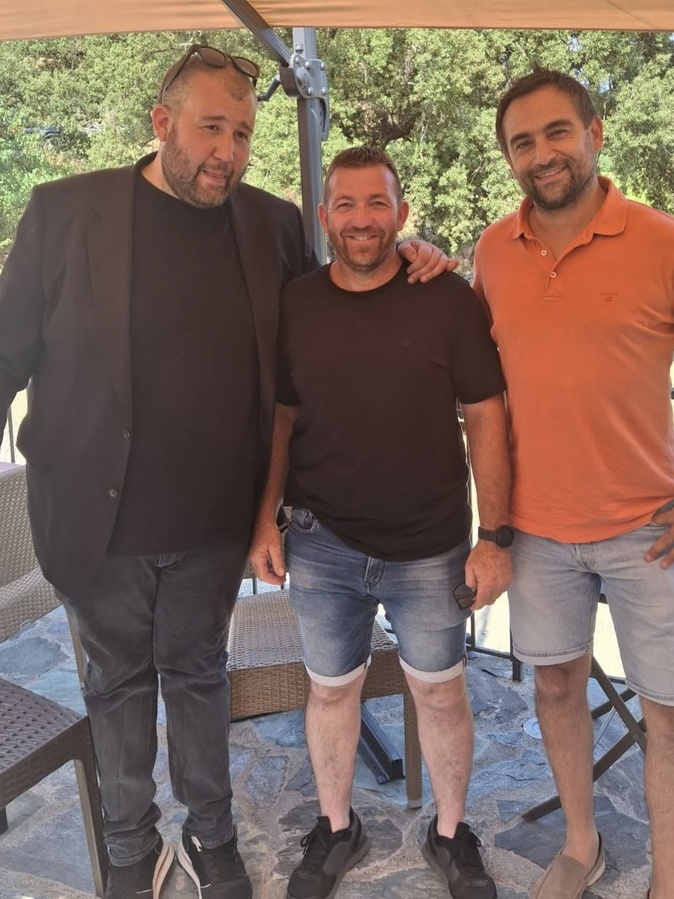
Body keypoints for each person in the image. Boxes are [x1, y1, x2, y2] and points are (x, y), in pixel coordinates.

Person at [0, 46, 452, 899]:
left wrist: (410, 257)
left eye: (241, 133)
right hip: (95, 522)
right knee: (115, 685)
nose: (228, 151)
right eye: (211, 128)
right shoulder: (65, 211)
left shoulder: (269, 223)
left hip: (212, 524)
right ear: (162, 122)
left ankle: (210, 833)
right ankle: (131, 842)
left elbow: (329, 311)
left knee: (199, 677)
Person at [250, 146, 512, 899]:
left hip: (429, 547)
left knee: (441, 692)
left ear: (402, 212)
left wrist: (495, 537)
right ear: (324, 215)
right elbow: (282, 416)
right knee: (331, 690)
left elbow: (486, 414)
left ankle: (451, 834)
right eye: (346, 203)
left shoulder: (447, 297)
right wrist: (265, 519)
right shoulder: (297, 303)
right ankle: (337, 828)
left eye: (377, 203)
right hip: (320, 541)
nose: (361, 219)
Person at [473, 67, 674, 899]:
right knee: (556, 684)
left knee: (666, 710)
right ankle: (581, 843)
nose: (542, 153)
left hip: (649, 530)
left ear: (594, 132)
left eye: (557, 131)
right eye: (523, 142)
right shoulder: (492, 250)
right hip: (538, 527)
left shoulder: (661, 239)